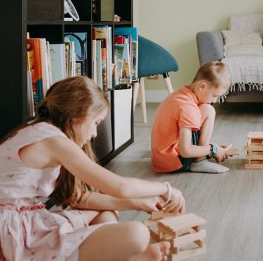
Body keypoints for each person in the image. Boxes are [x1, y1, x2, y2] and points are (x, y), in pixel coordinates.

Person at [0, 76, 185, 261]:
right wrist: (167, 189)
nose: (95, 133)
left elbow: (77, 198)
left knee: (107, 213)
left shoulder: (39, 130)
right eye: (96, 122)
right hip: (12, 229)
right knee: (138, 233)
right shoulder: (54, 142)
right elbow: (120, 186)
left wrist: (136, 202)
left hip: (26, 219)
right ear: (78, 114)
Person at [151, 61, 232, 174]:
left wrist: (210, 149)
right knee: (208, 110)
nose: (215, 100)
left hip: (161, 158)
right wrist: (213, 149)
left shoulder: (179, 95)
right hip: (174, 162)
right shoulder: (188, 108)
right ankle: (200, 161)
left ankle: (202, 154)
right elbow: (186, 151)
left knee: (205, 108)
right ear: (202, 86)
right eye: (215, 95)